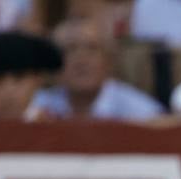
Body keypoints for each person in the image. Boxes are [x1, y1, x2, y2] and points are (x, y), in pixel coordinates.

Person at [32, 16, 165, 120]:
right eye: (70, 49)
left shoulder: (142, 113)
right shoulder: (36, 107)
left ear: (109, 61)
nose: (81, 60)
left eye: (92, 49)